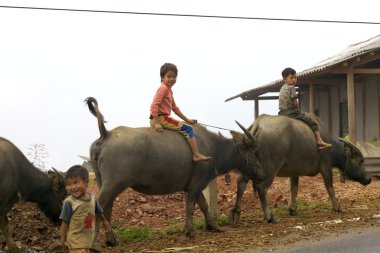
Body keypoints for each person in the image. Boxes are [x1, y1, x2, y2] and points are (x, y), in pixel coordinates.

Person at [150, 63, 212, 162]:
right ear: (162, 77)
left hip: (163, 118)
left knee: (187, 124)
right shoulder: (163, 89)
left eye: (174, 77)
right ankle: (196, 155)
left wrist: (188, 120)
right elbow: (154, 105)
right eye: (168, 76)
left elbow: (175, 108)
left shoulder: (168, 90)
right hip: (161, 118)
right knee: (188, 129)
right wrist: (157, 123)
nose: (172, 79)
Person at [60, 165, 111, 253]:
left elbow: (98, 211)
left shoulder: (92, 198)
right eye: (69, 184)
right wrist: (63, 240)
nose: (72, 187)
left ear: (86, 182)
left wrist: (104, 222)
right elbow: (64, 222)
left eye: (76, 182)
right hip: (75, 243)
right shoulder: (69, 203)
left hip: (89, 241)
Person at [278, 67, 332, 150]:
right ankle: (319, 140)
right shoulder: (292, 88)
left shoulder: (282, 88)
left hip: (281, 112)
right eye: (291, 78)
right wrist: (296, 105)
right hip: (292, 112)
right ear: (285, 79)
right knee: (312, 122)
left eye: (295, 77)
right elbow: (295, 103)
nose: (294, 80)